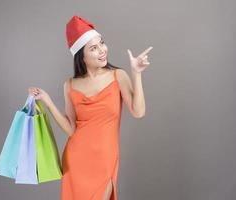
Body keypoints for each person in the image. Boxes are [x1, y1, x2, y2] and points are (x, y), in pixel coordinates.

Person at [28, 15, 152, 200]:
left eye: (101, 43)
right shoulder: (69, 85)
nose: (102, 50)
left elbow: (138, 112)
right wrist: (47, 100)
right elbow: (71, 129)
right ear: (82, 56)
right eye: (93, 48)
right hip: (76, 159)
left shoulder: (118, 76)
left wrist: (136, 73)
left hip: (105, 159)